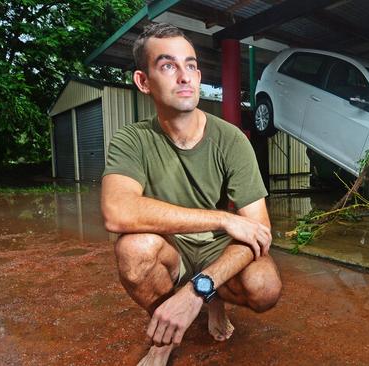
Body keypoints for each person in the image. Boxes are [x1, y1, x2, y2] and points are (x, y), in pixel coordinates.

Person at [100, 23, 281, 366]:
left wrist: (196, 290)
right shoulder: (132, 140)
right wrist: (224, 218)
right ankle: (166, 335)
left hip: (214, 246)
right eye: (168, 65)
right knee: (134, 249)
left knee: (265, 285)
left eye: (191, 65)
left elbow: (259, 232)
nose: (184, 76)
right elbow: (116, 211)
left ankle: (211, 300)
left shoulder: (231, 140)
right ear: (143, 82)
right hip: (171, 246)